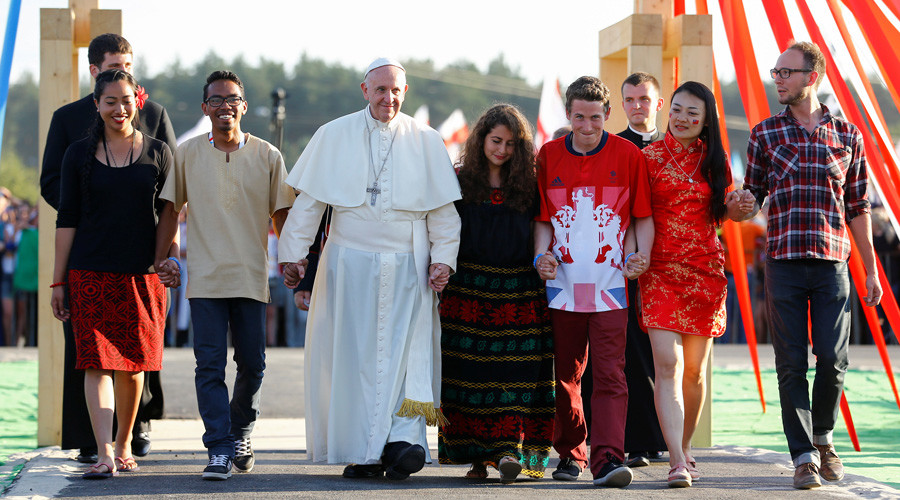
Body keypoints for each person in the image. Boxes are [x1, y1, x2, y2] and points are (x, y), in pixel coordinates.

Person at [278, 58, 461, 481]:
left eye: (396, 91)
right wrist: (294, 255)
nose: (388, 98)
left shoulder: (427, 140)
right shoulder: (333, 134)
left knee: (401, 356)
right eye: (380, 90)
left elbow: (444, 214)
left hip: (408, 267)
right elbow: (309, 206)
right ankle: (363, 449)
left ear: (405, 92)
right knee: (354, 356)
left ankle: (402, 444)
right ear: (365, 91)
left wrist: (443, 260)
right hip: (349, 264)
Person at [742, 41, 881, 489]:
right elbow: (751, 199)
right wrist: (738, 204)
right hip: (781, 263)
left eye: (785, 72)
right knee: (790, 363)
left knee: (834, 359)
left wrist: (872, 270)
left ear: (811, 77)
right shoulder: (764, 133)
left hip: (832, 264)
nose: (777, 78)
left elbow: (858, 207)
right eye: (775, 71)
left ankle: (823, 437)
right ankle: (803, 456)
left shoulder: (848, 135)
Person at [40, 33, 175, 462]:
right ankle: (98, 448)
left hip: (141, 268)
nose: (120, 106)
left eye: (127, 94)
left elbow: (171, 202)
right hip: (90, 263)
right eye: (110, 99)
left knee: (135, 362)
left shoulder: (155, 124)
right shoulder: (70, 131)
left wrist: (166, 256)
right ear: (95, 83)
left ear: (136, 96)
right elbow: (62, 207)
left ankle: (130, 437)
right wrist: (58, 279)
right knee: (92, 360)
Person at [154, 70, 295, 480]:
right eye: (215, 100)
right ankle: (218, 446)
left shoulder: (269, 155)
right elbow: (169, 209)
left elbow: (282, 214)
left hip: (252, 277)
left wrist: (291, 261)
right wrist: (161, 258)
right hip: (206, 280)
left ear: (244, 106)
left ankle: (242, 430)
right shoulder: (187, 153)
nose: (224, 106)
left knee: (253, 363)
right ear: (205, 108)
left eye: (232, 99)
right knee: (209, 365)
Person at [533, 76, 653, 488]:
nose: (587, 126)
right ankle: (570, 454)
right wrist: (540, 256)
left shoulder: (628, 155)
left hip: (611, 287)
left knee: (611, 375)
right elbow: (543, 219)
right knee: (566, 374)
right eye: (579, 117)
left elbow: (640, 216)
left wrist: (641, 255)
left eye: (596, 118)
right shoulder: (548, 156)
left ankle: (607, 458)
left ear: (608, 115)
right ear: (568, 114)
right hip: (562, 286)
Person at [637, 81, 752, 487]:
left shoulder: (715, 160)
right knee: (666, 365)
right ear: (667, 109)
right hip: (660, 270)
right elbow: (637, 214)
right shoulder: (647, 157)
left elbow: (728, 215)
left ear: (705, 122)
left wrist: (740, 208)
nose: (683, 119)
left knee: (695, 374)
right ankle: (675, 461)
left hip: (704, 271)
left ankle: (684, 446)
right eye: (678, 110)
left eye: (693, 114)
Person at [437, 104, 554, 484]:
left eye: (510, 143)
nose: (502, 149)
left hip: (521, 292)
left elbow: (544, 230)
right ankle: (477, 459)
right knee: (467, 377)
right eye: (495, 141)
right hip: (467, 294)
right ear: (481, 139)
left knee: (517, 377)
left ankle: (509, 451)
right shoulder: (457, 182)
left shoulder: (532, 185)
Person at [616, 71, 667, 468]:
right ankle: (638, 441)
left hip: (673, 266)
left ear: (658, 104)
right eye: (630, 100)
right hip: (628, 266)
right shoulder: (612, 148)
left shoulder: (678, 148)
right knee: (632, 353)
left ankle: (669, 441)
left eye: (644, 99)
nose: (638, 106)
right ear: (622, 105)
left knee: (668, 356)